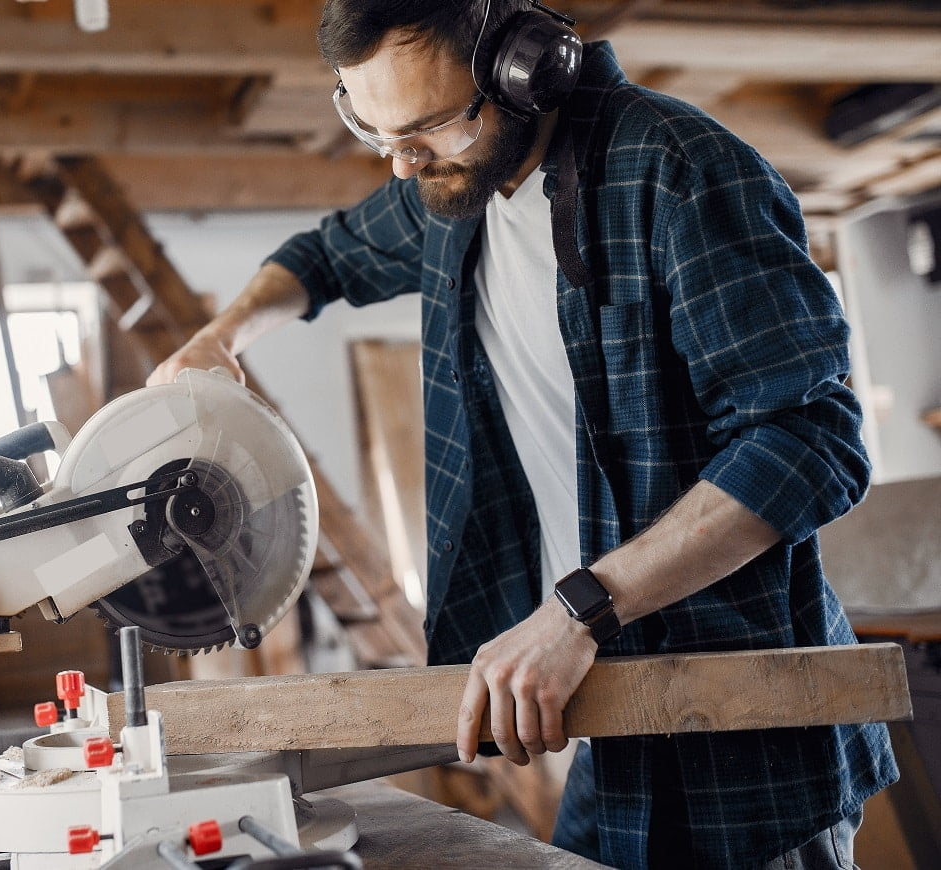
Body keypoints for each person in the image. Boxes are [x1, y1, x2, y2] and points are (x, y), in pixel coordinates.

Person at [148, 0, 897, 866]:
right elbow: (324, 257)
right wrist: (221, 334)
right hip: (609, 713)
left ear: (524, 65)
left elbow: (811, 439)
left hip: (736, 726)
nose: (399, 165)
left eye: (428, 126)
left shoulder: (679, 172)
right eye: (372, 127)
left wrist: (580, 609)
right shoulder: (449, 192)